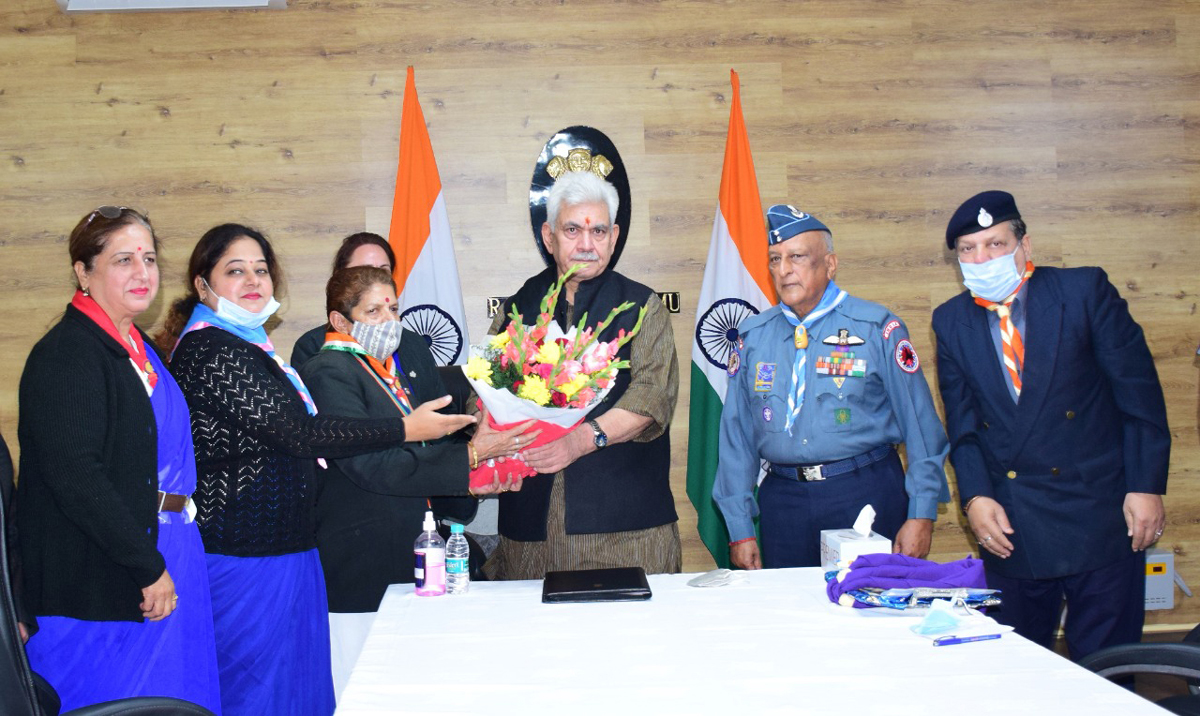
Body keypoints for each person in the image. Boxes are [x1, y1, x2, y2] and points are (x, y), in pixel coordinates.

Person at [160, 224, 473, 716]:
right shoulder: (211, 350)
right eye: (235, 271)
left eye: (261, 270)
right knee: (256, 693)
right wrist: (403, 429)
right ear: (203, 285)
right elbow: (300, 434)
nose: (253, 281)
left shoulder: (251, 344)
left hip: (288, 546)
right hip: (246, 552)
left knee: (300, 692)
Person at [932, 190, 1169, 660]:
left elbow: (1139, 397)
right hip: (1013, 524)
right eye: (968, 249)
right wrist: (975, 498)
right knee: (1019, 668)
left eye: (995, 244)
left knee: (1109, 668)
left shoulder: (1083, 292)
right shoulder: (951, 321)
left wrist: (1146, 486)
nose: (982, 259)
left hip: (1102, 515)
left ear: (1025, 245)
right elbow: (964, 426)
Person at [17, 206, 220, 712]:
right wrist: (146, 566)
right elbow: (76, 477)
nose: (142, 272)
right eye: (123, 260)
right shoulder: (68, 354)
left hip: (171, 547)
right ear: (83, 272)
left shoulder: (137, 347)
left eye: (149, 259)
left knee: (178, 698)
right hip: (107, 576)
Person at [300, 266, 533, 699]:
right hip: (361, 562)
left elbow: (416, 458)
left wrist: (474, 478)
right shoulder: (328, 371)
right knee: (363, 691)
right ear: (340, 321)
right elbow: (371, 465)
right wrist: (471, 456)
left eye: (393, 308)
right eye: (373, 311)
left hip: (406, 553)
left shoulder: (381, 370)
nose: (389, 321)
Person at [713, 205, 950, 570]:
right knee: (791, 606)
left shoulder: (876, 328)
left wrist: (921, 512)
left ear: (830, 264)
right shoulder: (753, 338)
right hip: (784, 503)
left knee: (869, 601)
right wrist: (740, 528)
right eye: (775, 259)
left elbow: (920, 425)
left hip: (863, 493)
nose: (783, 269)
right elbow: (737, 438)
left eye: (797, 257)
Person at [484, 167, 682, 580]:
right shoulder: (518, 308)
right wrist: (487, 435)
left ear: (614, 236)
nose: (587, 244)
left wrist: (578, 440)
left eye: (598, 231)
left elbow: (651, 396)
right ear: (548, 236)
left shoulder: (642, 307)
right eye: (572, 230)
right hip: (529, 534)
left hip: (623, 533)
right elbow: (483, 388)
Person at [291, 232, 394, 368]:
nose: (376, 279)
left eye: (383, 271)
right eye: (365, 271)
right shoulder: (312, 346)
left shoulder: (414, 343)